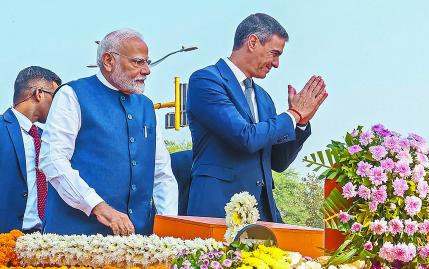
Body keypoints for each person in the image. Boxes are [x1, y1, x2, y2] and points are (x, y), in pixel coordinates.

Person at [187, 13, 328, 222]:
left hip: (263, 215)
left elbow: (278, 162)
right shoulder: (206, 81)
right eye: (274, 53)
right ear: (252, 42)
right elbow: (245, 137)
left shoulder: (263, 98)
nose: (277, 63)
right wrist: (294, 114)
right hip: (217, 212)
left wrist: (300, 123)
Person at [39, 29, 178, 236]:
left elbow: (162, 174)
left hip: (137, 243)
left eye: (147, 62)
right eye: (138, 62)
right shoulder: (73, 95)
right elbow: (52, 160)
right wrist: (99, 207)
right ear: (108, 61)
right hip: (76, 240)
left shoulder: (146, 106)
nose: (147, 70)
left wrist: (168, 231)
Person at [0, 66, 61, 233]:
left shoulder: (47, 139)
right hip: (5, 238)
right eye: (56, 97)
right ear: (39, 93)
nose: (59, 105)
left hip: (42, 239)